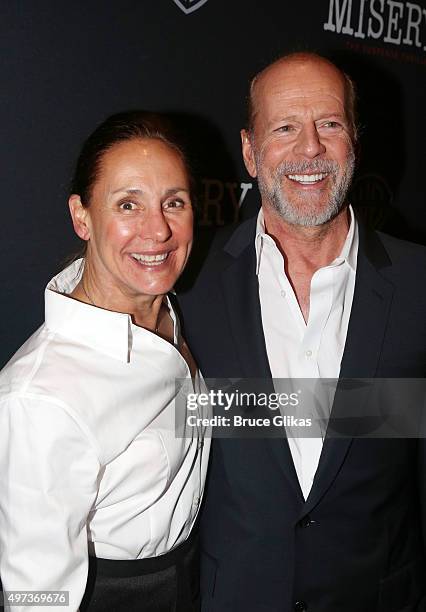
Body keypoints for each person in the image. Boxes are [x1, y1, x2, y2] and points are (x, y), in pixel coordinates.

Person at [177, 53, 426, 611]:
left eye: (330, 124)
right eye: (285, 127)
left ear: (354, 141)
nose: (309, 148)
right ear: (249, 150)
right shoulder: (190, 282)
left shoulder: (418, 286)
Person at [0, 111, 210, 612]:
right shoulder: (40, 398)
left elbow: (195, 412)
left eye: (173, 202)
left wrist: (382, 410)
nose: (157, 230)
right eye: (128, 204)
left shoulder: (167, 306)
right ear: (82, 216)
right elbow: (36, 598)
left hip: (197, 577)